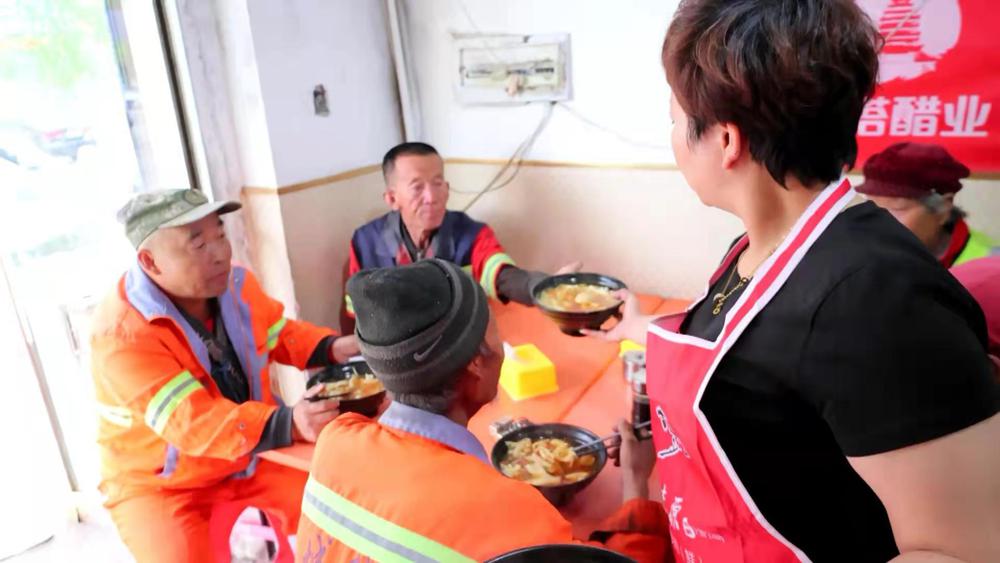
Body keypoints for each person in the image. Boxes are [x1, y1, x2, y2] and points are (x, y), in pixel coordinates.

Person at [587, 1, 1000, 561]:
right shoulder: (761, 247)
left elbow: (962, 550)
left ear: (726, 140)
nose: (674, 137)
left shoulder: (877, 300)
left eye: (675, 119)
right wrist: (642, 336)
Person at [297, 259, 670, 562]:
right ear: (477, 362)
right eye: (495, 333)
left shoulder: (335, 443)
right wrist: (636, 482)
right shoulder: (510, 513)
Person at [90, 189, 360, 562]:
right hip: (163, 485)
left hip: (251, 454)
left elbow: (278, 333)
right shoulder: (122, 335)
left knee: (342, 508)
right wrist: (289, 422)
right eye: (198, 244)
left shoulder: (236, 284)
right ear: (150, 262)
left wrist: (332, 347)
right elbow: (192, 422)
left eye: (220, 234)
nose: (220, 253)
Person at [343, 142, 579, 328]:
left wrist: (545, 289)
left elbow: (503, 276)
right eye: (417, 187)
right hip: (395, 353)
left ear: (447, 188)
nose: (432, 197)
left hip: (455, 346)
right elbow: (360, 312)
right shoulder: (365, 242)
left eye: (438, 183)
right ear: (392, 198)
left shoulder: (471, 234)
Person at [858, 142, 998, 268]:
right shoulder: (861, 256)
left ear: (943, 209)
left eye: (896, 209)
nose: (877, 223)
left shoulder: (991, 265)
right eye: (872, 208)